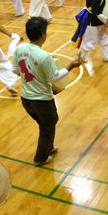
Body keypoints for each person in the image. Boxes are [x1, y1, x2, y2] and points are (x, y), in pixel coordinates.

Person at [13, 17, 81, 165]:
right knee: (48, 125)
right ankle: (40, 158)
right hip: (42, 101)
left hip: (26, 99)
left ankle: (48, 147)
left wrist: (30, 76)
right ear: (43, 34)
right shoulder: (44, 57)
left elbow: (15, 70)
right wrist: (71, 65)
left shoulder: (20, 49)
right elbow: (55, 78)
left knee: (46, 124)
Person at [77, 0, 108, 76]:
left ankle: (106, 57)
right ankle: (80, 56)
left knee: (104, 38)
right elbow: (95, 10)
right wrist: (106, 20)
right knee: (89, 41)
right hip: (93, 22)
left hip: (99, 21)